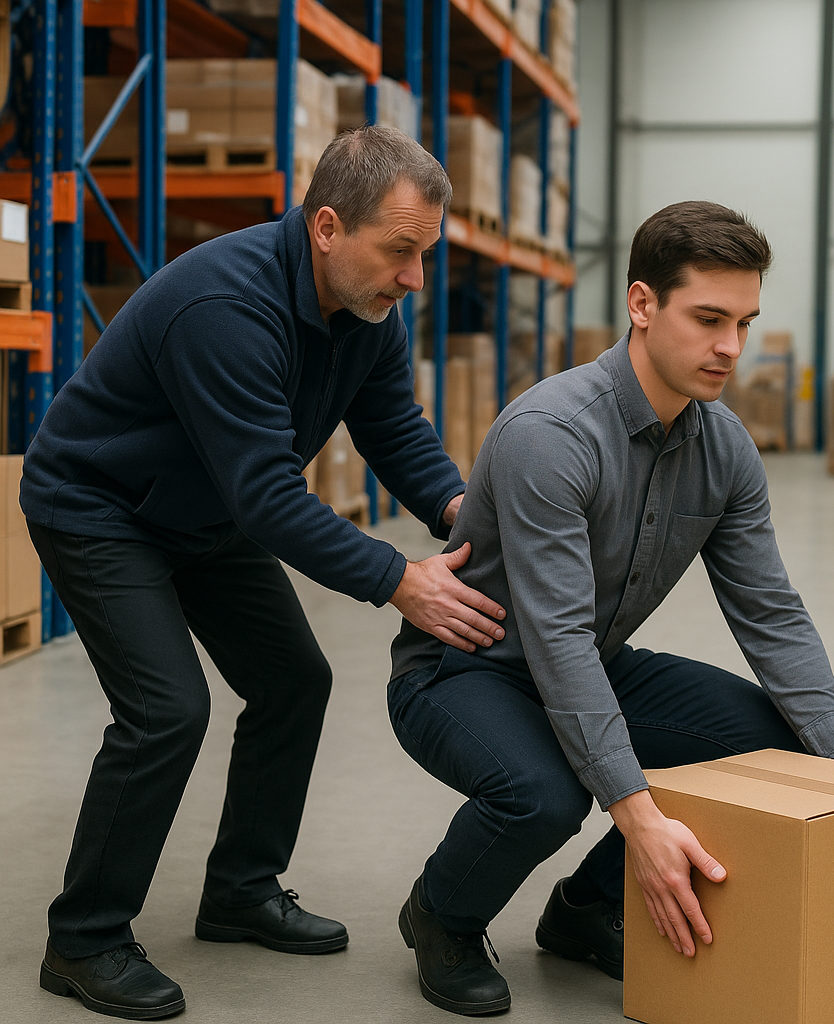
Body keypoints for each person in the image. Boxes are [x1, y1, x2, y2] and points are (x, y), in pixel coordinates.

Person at [20, 124, 506, 1021]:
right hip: (101, 506)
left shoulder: (366, 311)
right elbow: (269, 498)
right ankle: (83, 938)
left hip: (201, 508)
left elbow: (393, 427)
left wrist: (465, 517)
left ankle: (241, 890)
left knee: (293, 681)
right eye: (401, 252)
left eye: (424, 255)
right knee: (167, 709)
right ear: (327, 227)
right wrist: (402, 579)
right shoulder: (226, 307)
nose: (415, 280)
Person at [387, 201, 834, 1016]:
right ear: (642, 305)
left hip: (587, 663)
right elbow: (559, 635)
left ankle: (581, 910)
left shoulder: (724, 448)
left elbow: (771, 611)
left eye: (745, 322)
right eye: (708, 318)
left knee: (777, 744)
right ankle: (441, 914)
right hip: (465, 671)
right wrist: (638, 815)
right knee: (547, 793)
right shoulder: (553, 434)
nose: (731, 349)